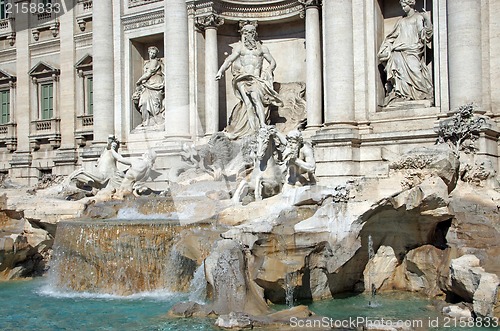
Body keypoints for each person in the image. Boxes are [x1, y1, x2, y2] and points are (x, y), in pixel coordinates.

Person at [216, 21, 283, 139]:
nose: (248, 35)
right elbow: (229, 60)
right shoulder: (240, 48)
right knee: (248, 103)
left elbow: (272, 62)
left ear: (255, 34)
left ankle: (262, 125)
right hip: (242, 79)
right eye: (246, 32)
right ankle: (251, 131)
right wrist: (220, 71)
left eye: (251, 32)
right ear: (243, 34)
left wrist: (268, 70)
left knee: (256, 99)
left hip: (256, 78)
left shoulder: (262, 48)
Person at [377, 0, 433, 106]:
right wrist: (386, 47)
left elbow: (424, 35)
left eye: (404, 6)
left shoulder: (418, 17)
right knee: (400, 74)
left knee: (415, 70)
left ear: (410, 5)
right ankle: (402, 95)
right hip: (398, 50)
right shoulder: (400, 21)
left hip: (413, 49)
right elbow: (392, 36)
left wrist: (427, 19)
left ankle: (421, 93)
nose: (403, 8)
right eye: (402, 6)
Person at [132, 46, 165, 127]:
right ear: (148, 52)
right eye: (151, 52)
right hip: (148, 84)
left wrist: (139, 80)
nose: (152, 54)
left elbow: (149, 73)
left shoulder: (155, 62)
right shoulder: (147, 63)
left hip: (155, 82)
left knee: (155, 103)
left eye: (154, 53)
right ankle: (146, 121)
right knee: (144, 101)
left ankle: (156, 121)